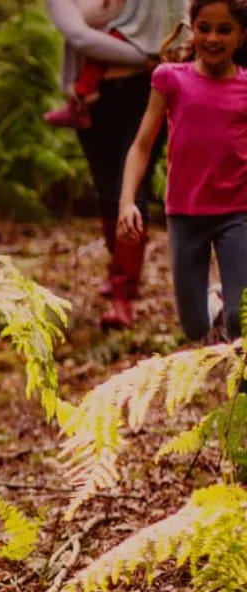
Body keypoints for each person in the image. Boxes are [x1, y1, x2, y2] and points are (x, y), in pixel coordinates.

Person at [46, 0, 186, 329]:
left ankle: (125, 293)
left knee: (132, 187)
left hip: (147, 91)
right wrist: (148, 56)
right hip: (93, 99)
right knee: (107, 190)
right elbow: (78, 36)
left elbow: (183, 21)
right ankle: (120, 269)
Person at [118, 0, 247, 342]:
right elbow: (142, 144)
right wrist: (127, 201)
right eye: (204, 28)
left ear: (242, 35)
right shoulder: (170, 79)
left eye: (225, 30)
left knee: (242, 317)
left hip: (237, 211)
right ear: (193, 28)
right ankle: (216, 303)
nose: (213, 38)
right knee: (194, 327)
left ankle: (244, 391)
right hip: (185, 214)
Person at [44, 0, 128, 130]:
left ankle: (80, 101)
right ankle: (77, 105)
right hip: (98, 75)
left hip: (119, 81)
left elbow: (87, 18)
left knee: (85, 41)